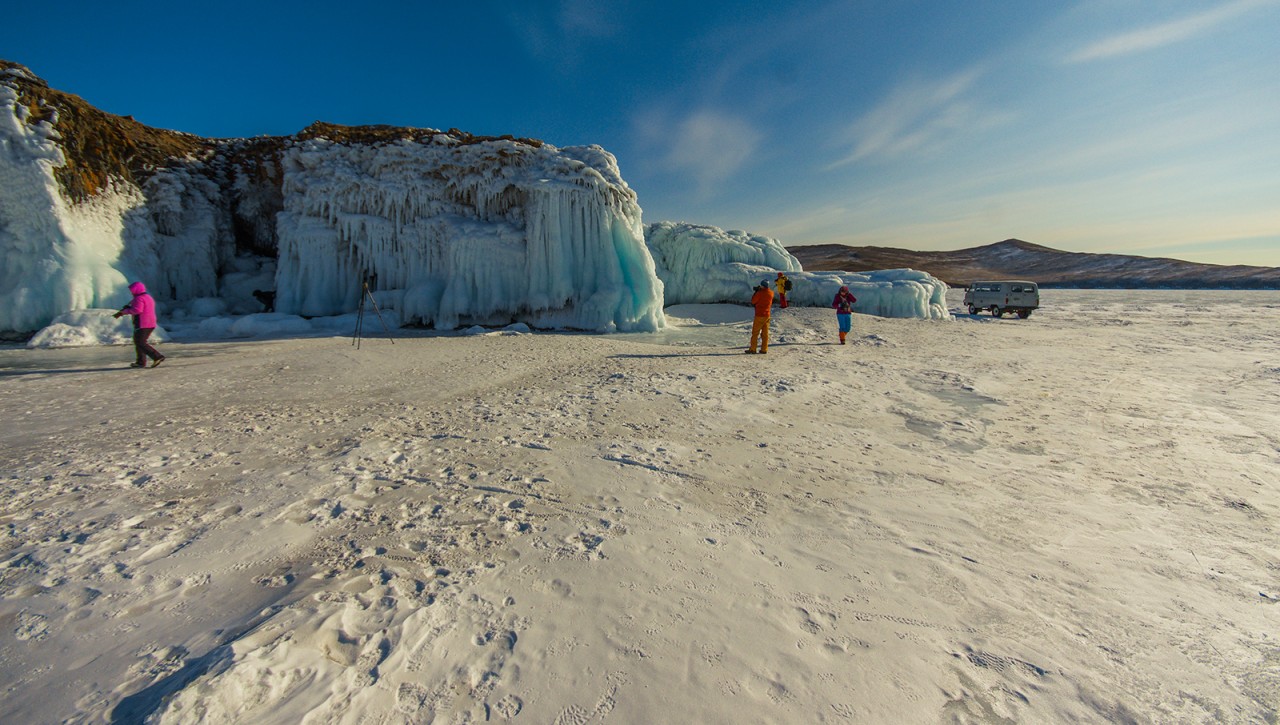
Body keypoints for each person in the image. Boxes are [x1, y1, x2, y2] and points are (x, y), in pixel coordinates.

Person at [113, 281, 165, 368]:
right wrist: (130, 308)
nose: (131, 292)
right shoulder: (147, 297)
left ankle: (157, 356)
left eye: (132, 290)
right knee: (139, 342)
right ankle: (140, 362)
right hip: (150, 323)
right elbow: (141, 308)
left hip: (143, 323)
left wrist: (124, 312)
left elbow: (137, 310)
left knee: (140, 342)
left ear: (136, 289)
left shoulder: (139, 298)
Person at [746, 279, 774, 354]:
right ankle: (764, 349)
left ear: (762, 286)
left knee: (755, 333)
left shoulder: (759, 293)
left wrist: (756, 292)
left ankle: (753, 349)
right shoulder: (771, 293)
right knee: (765, 333)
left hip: (759, 315)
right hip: (767, 315)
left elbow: (753, 301)